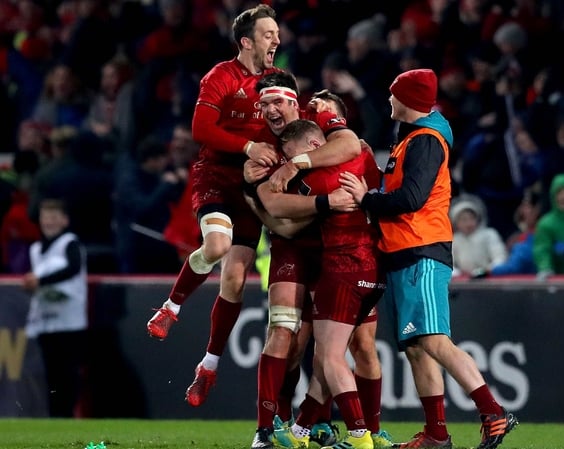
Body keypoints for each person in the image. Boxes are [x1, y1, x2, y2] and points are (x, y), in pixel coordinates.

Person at [338, 68, 518, 449]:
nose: (389, 99)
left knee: (434, 340)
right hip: (405, 250)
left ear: (409, 101)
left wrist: (366, 200)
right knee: (418, 348)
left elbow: (412, 199)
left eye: (393, 94)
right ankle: (436, 434)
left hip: (421, 248)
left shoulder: (426, 140)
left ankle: (492, 410)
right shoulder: (412, 138)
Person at [144, 3, 282, 408]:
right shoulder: (221, 77)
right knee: (218, 247)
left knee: (235, 281)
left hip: (251, 186)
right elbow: (201, 129)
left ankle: (208, 367)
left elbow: (290, 122)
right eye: (268, 34)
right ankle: (171, 306)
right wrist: (249, 145)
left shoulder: (276, 81)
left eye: (276, 33)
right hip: (217, 177)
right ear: (247, 41)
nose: (276, 40)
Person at [244, 74, 390, 449]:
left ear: (295, 102)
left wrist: (297, 166)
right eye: (264, 104)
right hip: (307, 251)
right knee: (291, 337)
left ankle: (358, 432)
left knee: (350, 347)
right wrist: (325, 206)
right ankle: (276, 427)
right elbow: (279, 217)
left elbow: (350, 144)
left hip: (345, 258)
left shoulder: (320, 121)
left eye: (277, 102)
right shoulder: (262, 145)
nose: (270, 110)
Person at [23, 198, 88, 417]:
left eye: (53, 217)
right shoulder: (36, 249)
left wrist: (41, 281)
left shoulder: (70, 243)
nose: (48, 222)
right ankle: (55, 416)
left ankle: (68, 414)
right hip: (46, 319)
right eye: (45, 217)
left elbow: (72, 268)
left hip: (69, 321)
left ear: (64, 220)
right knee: (50, 373)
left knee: (67, 372)